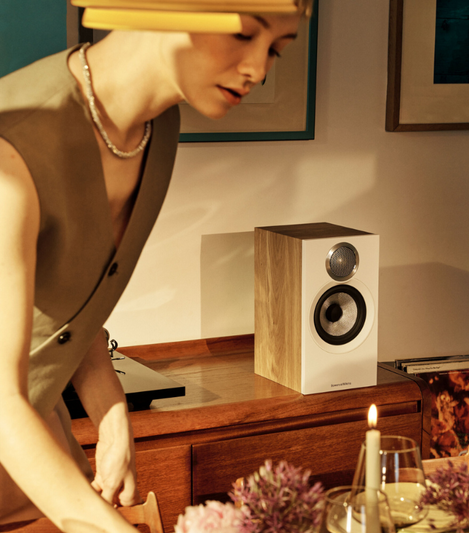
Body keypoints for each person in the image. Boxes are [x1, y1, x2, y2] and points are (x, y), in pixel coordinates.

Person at [0, 1, 312, 531]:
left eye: (277, 50)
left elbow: (65, 301)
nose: (258, 68)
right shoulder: (14, 148)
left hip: (35, 455)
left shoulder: (156, 127)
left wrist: (111, 412)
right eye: (243, 35)